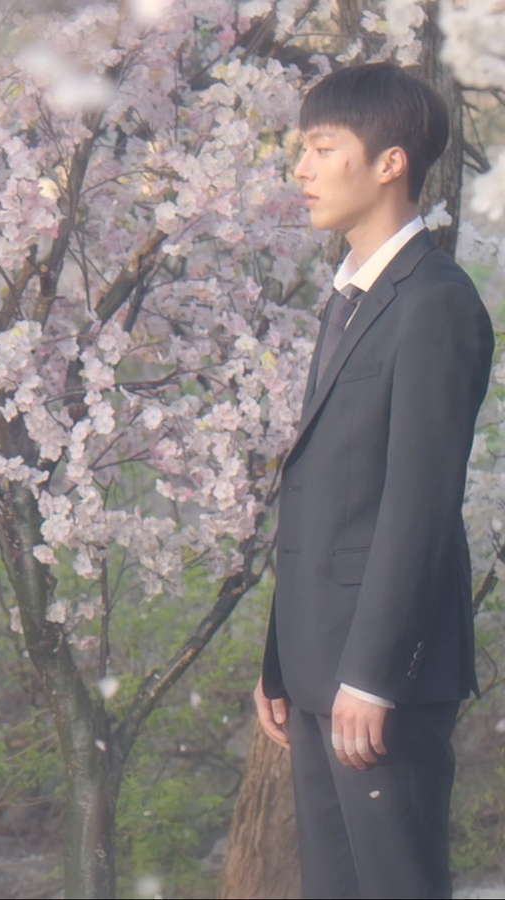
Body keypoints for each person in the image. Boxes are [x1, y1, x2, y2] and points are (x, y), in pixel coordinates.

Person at [255, 62, 494, 898]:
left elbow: (419, 505)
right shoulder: (349, 301)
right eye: (301, 149)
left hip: (378, 676)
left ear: (390, 163)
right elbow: (324, 489)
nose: (302, 170)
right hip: (322, 664)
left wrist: (372, 674)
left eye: (323, 148)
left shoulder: (436, 302)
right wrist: (280, 660)